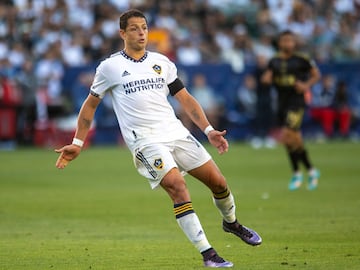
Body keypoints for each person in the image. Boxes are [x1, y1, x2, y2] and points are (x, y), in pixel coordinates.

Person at [55, 10, 261, 268]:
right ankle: (208, 254)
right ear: (122, 33)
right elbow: (89, 106)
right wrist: (77, 143)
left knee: (219, 184)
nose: (141, 33)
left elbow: (185, 98)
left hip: (175, 132)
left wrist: (209, 130)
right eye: (134, 28)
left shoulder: (162, 63)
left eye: (144, 27)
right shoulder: (110, 67)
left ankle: (231, 223)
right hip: (145, 141)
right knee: (177, 187)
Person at [262, 30, 321, 191]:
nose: (288, 43)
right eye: (285, 41)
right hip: (282, 103)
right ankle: (310, 169)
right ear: (280, 43)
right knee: (292, 139)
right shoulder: (274, 61)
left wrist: (306, 85)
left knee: (288, 135)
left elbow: (316, 75)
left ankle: (297, 172)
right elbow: (267, 77)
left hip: (296, 102)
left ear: (294, 43)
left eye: (290, 41)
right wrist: (266, 78)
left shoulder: (302, 60)